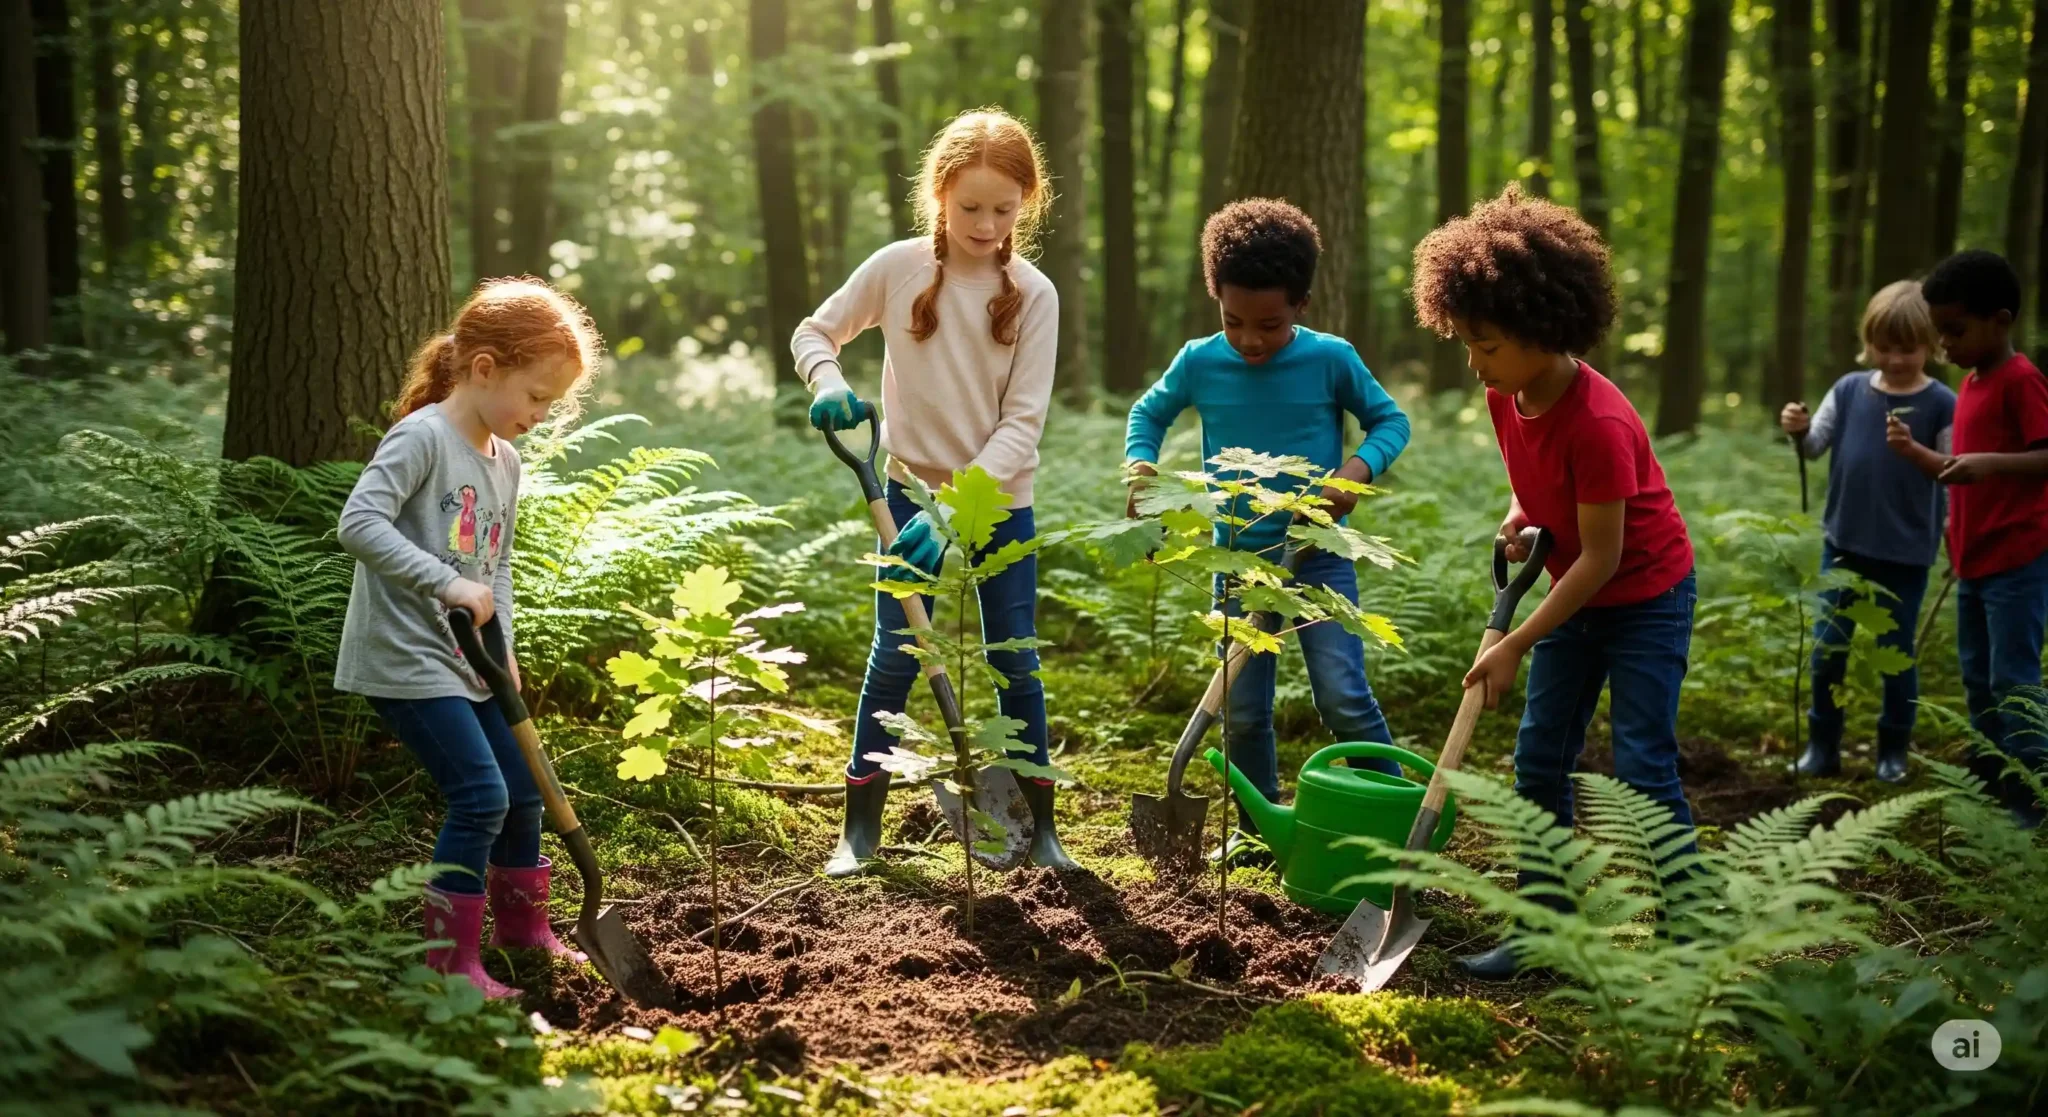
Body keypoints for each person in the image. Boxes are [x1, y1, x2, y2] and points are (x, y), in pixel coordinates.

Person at [1410, 185, 1697, 979]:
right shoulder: (1508, 394)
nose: (1474, 362)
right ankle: (1545, 927)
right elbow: (1535, 482)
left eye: (1486, 344)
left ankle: (1693, 939)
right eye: (1465, 342)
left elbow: (1602, 558)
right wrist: (1520, 515)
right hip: (1578, 593)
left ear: (1543, 328)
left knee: (1642, 766)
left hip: (1645, 599)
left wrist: (1515, 644)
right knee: (1539, 756)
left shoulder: (1599, 423)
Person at [793, 108, 1070, 876]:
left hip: (998, 499)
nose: (985, 225)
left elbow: (1023, 425)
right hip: (907, 495)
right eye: (969, 206)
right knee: (897, 653)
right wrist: (827, 382)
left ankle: (1043, 829)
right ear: (938, 194)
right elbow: (815, 332)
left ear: (1027, 202)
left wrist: (956, 510)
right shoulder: (897, 269)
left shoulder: (1035, 294)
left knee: (1015, 657)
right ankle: (859, 831)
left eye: (1004, 209)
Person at [1123, 198, 1413, 866]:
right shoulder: (1199, 361)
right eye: (1233, 321)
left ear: (1302, 304)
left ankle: (1395, 823)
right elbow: (1147, 413)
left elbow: (1390, 421)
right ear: (1216, 300)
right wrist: (1142, 467)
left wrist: (1354, 473)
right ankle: (1258, 832)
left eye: (1270, 325)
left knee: (1343, 695)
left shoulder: (1331, 359)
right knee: (1245, 711)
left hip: (1317, 556)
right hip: (1237, 560)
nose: (1250, 340)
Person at [336, 278, 603, 998]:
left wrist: (503, 646)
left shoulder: (505, 461)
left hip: (470, 659)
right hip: (406, 656)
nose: (541, 416)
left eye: (552, 404)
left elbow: (496, 565)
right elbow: (358, 523)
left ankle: (523, 932)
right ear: (484, 368)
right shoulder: (422, 437)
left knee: (523, 792)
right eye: (537, 396)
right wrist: (445, 584)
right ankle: (449, 963)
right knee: (482, 796)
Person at [1778, 280, 1956, 784]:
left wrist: (1953, 530)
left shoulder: (1942, 403)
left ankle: (1892, 752)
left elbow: (1952, 473)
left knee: (1896, 658)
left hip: (1906, 554)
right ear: (1869, 343)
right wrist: (1797, 428)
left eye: (1908, 348)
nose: (1895, 359)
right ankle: (1822, 746)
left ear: (1931, 345)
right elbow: (1814, 445)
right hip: (1843, 546)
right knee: (1827, 650)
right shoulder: (1849, 390)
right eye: (1884, 346)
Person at [1919, 250, 2048, 827]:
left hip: (2017, 561)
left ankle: (2031, 794)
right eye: (1940, 332)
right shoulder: (1971, 384)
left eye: (1955, 330)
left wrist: (1990, 463)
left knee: (2012, 678)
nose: (1945, 344)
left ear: (2000, 321)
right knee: (1976, 675)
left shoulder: (2022, 381)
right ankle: (1989, 777)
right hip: (1972, 561)